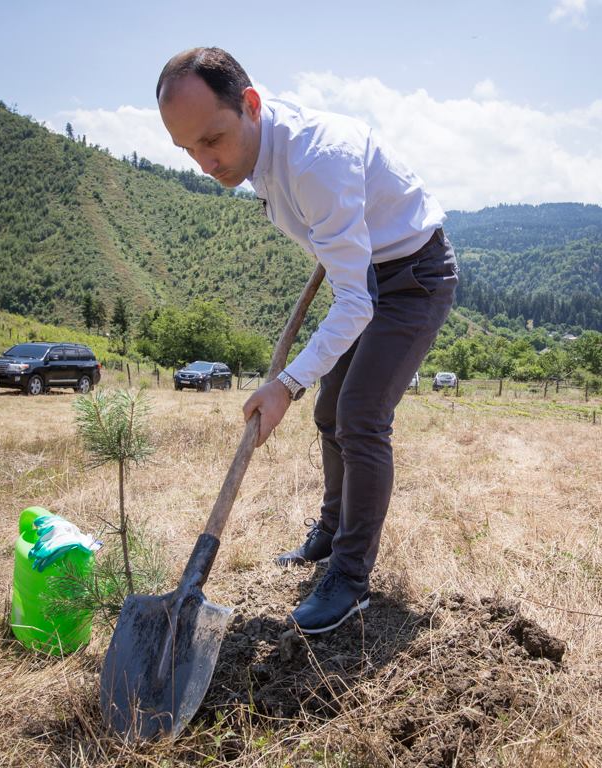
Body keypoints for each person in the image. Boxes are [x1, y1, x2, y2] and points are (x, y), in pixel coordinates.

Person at [157, 48, 458, 634]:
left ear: (250, 104)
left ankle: (350, 578)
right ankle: (331, 530)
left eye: (212, 140)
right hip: (366, 273)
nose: (204, 163)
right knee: (329, 412)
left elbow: (356, 303)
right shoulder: (256, 154)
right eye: (187, 149)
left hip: (414, 277)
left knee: (360, 416)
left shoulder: (317, 160)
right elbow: (346, 269)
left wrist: (285, 383)